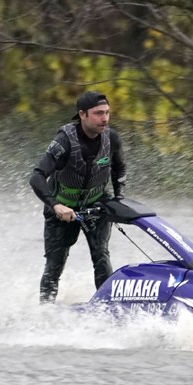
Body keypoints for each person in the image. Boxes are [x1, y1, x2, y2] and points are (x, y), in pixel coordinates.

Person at [29, 90, 127, 304]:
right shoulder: (64, 141)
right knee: (54, 265)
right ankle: (45, 311)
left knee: (101, 256)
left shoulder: (112, 138)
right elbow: (36, 176)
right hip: (62, 210)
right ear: (82, 114)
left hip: (96, 207)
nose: (105, 118)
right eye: (98, 113)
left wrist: (118, 199)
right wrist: (56, 206)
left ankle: (106, 309)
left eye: (107, 113)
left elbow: (119, 169)